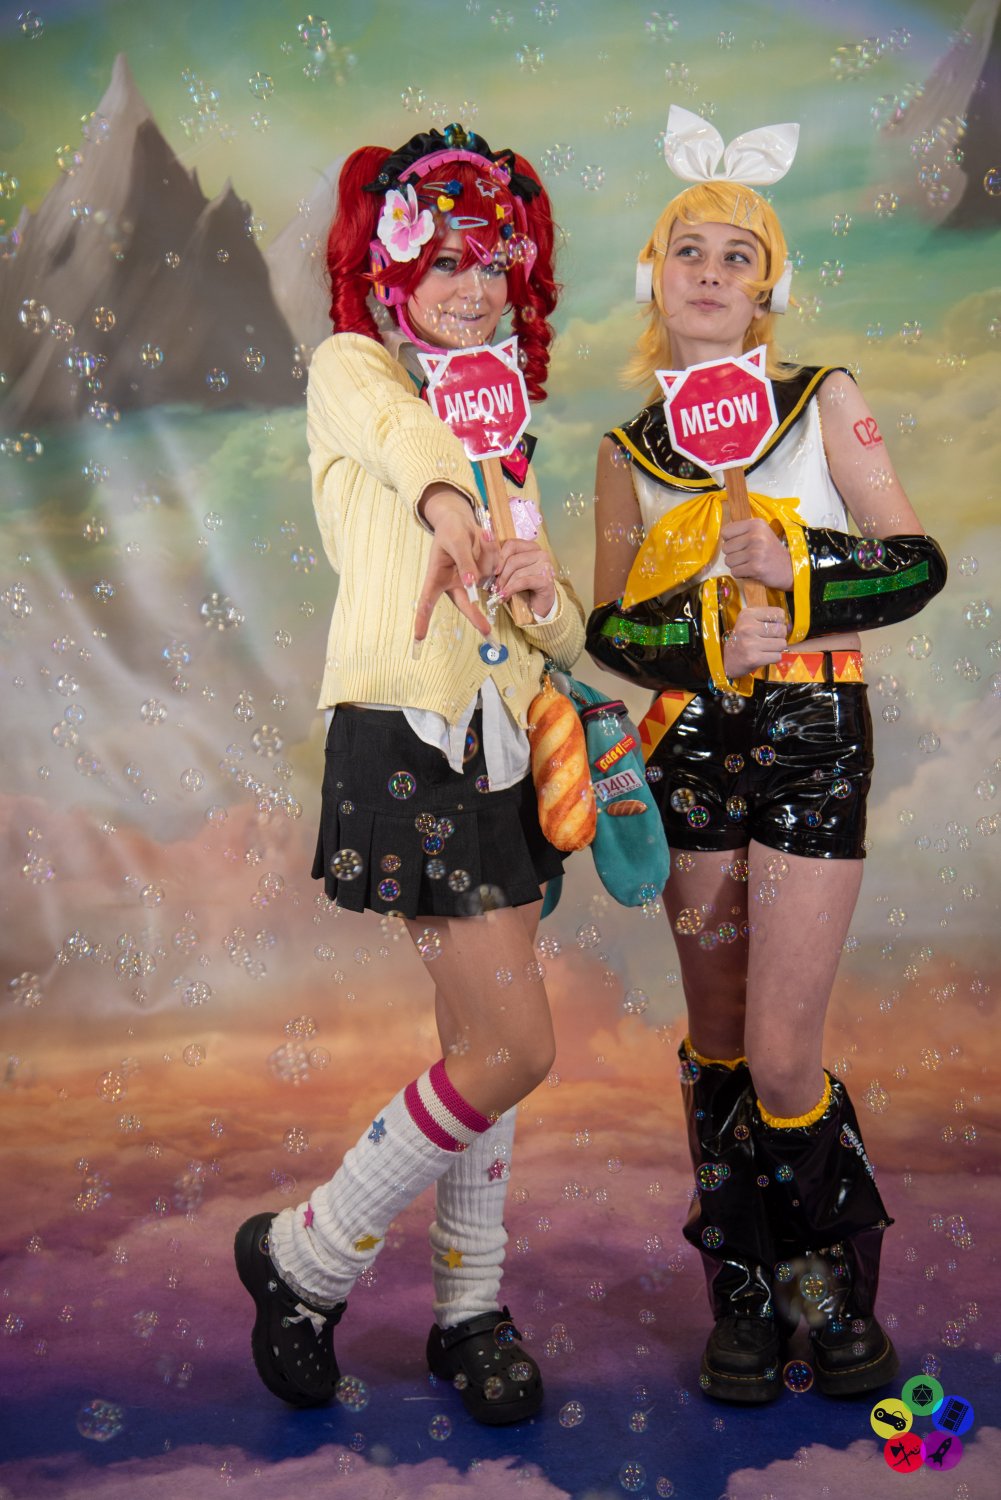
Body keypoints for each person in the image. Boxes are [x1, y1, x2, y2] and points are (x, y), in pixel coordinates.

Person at [587, 108, 946, 1404]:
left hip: (808, 731)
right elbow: (610, 626)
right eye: (688, 250)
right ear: (655, 276)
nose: (710, 272)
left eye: (737, 255)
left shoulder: (821, 401)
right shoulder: (627, 452)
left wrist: (794, 570)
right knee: (720, 1039)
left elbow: (914, 562)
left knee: (786, 1052)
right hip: (691, 747)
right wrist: (698, 629)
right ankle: (740, 1295)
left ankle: (822, 1287)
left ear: (767, 287)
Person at [234, 124, 585, 1425]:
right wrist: (452, 508)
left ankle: (467, 1309)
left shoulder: (504, 425)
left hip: (506, 747)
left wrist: (544, 595)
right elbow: (401, 443)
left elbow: (551, 625)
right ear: (387, 269)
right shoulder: (354, 368)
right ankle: (306, 1255)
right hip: (406, 742)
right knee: (516, 1047)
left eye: (492, 262)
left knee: (476, 1038)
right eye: (443, 259)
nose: (472, 284)